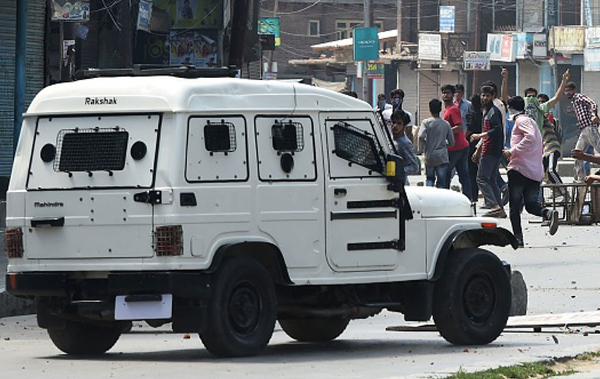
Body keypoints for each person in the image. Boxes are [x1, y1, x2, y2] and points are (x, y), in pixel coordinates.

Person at [503, 96, 559, 248]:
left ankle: (518, 239)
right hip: (534, 171)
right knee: (531, 205)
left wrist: (512, 151)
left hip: (519, 169)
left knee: (514, 208)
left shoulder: (522, 121)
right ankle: (547, 213)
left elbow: (531, 138)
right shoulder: (531, 121)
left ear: (511, 108)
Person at [470, 86, 506, 218]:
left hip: (491, 150)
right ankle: (500, 208)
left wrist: (480, 136)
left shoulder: (493, 111)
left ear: (493, 97)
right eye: (483, 95)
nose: (484, 98)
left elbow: (496, 130)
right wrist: (478, 149)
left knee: (481, 179)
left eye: (487, 96)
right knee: (491, 179)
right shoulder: (486, 111)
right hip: (488, 149)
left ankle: (493, 205)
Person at [564, 80, 600, 182]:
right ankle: (581, 179)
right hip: (583, 130)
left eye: (569, 91)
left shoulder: (579, 97)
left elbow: (593, 104)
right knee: (577, 154)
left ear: (573, 90)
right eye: (565, 91)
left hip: (589, 128)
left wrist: (593, 115)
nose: (567, 93)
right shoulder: (574, 102)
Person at [442, 84, 471, 199]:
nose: (445, 95)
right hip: (459, 146)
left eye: (448, 93)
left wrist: (444, 132)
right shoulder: (448, 109)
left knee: (446, 174)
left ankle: (446, 199)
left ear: (452, 94)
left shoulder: (453, 109)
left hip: (456, 147)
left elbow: (459, 127)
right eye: (444, 92)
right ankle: (468, 198)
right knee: (463, 175)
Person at [419, 99, 455, 188]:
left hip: (430, 155)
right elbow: (452, 142)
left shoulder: (426, 122)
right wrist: (445, 144)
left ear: (430, 109)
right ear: (440, 109)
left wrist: (426, 144)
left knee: (430, 178)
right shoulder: (446, 124)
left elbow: (420, 136)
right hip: (442, 156)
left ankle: (429, 197)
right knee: (441, 181)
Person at [390, 110, 420, 185]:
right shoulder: (390, 139)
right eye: (393, 122)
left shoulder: (405, 143)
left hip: (400, 184)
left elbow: (414, 167)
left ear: (404, 126)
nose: (395, 126)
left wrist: (399, 171)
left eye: (399, 123)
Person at [466, 93, 483, 203]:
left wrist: (464, 138)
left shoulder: (471, 114)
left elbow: (470, 129)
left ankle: (473, 195)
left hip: (472, 143)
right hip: (482, 141)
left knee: (471, 172)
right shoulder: (484, 113)